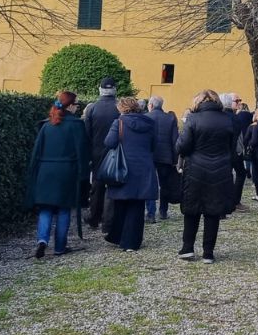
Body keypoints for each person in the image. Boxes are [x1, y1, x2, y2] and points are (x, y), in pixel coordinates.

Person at [24, 91, 89, 258]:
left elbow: (36, 152)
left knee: (45, 208)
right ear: (70, 106)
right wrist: (83, 175)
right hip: (67, 172)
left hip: (45, 172)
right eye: (76, 104)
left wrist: (33, 173)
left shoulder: (46, 125)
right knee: (64, 209)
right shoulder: (76, 125)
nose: (78, 108)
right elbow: (82, 152)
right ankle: (60, 246)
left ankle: (42, 240)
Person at [177, 89, 238, 263]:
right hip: (220, 170)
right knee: (213, 211)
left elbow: (183, 146)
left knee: (192, 210)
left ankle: (187, 248)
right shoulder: (228, 120)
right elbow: (232, 148)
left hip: (195, 169)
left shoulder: (193, 119)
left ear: (198, 101)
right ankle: (208, 252)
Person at [102, 97, 161, 251]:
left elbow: (109, 142)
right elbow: (154, 145)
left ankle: (118, 236)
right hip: (143, 168)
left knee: (121, 203)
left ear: (122, 108)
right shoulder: (150, 123)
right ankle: (131, 242)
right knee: (137, 205)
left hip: (123, 167)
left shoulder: (119, 122)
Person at [82, 77, 121, 231]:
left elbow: (87, 134)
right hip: (116, 152)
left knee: (97, 186)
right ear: (114, 90)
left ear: (100, 90)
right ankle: (109, 220)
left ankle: (94, 217)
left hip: (97, 152)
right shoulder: (119, 108)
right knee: (113, 186)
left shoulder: (92, 108)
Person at [145, 95, 179, 222]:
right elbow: (175, 141)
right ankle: (163, 211)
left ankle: (151, 213)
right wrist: (175, 160)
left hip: (149, 156)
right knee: (164, 185)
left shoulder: (145, 117)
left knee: (149, 183)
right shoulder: (170, 118)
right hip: (165, 157)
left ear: (151, 105)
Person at [222, 92, 251, 212]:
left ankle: (228, 201)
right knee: (239, 174)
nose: (239, 103)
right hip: (233, 152)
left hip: (224, 152)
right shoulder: (235, 118)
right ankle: (234, 201)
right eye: (237, 101)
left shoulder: (222, 116)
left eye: (240, 101)